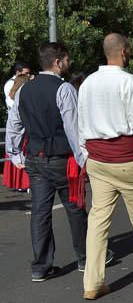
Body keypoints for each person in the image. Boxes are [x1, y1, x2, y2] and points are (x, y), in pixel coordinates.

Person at [78, 33, 133, 300]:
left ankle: (92, 282)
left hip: (97, 160)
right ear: (124, 52)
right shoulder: (129, 81)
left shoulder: (87, 83)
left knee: (98, 221)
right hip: (127, 158)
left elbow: (81, 125)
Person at [5, 43, 88, 282]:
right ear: (58, 61)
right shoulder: (64, 90)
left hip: (35, 157)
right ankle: (84, 257)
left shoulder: (23, 90)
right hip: (62, 158)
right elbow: (73, 129)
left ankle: (41, 266)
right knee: (75, 207)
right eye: (67, 59)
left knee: (40, 212)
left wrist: (15, 155)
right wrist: (83, 159)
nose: (68, 63)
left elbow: (14, 126)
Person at [2, 74, 31, 191]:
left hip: (17, 132)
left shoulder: (14, 97)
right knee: (20, 156)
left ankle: (21, 183)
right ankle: (22, 184)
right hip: (20, 133)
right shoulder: (13, 99)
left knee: (17, 156)